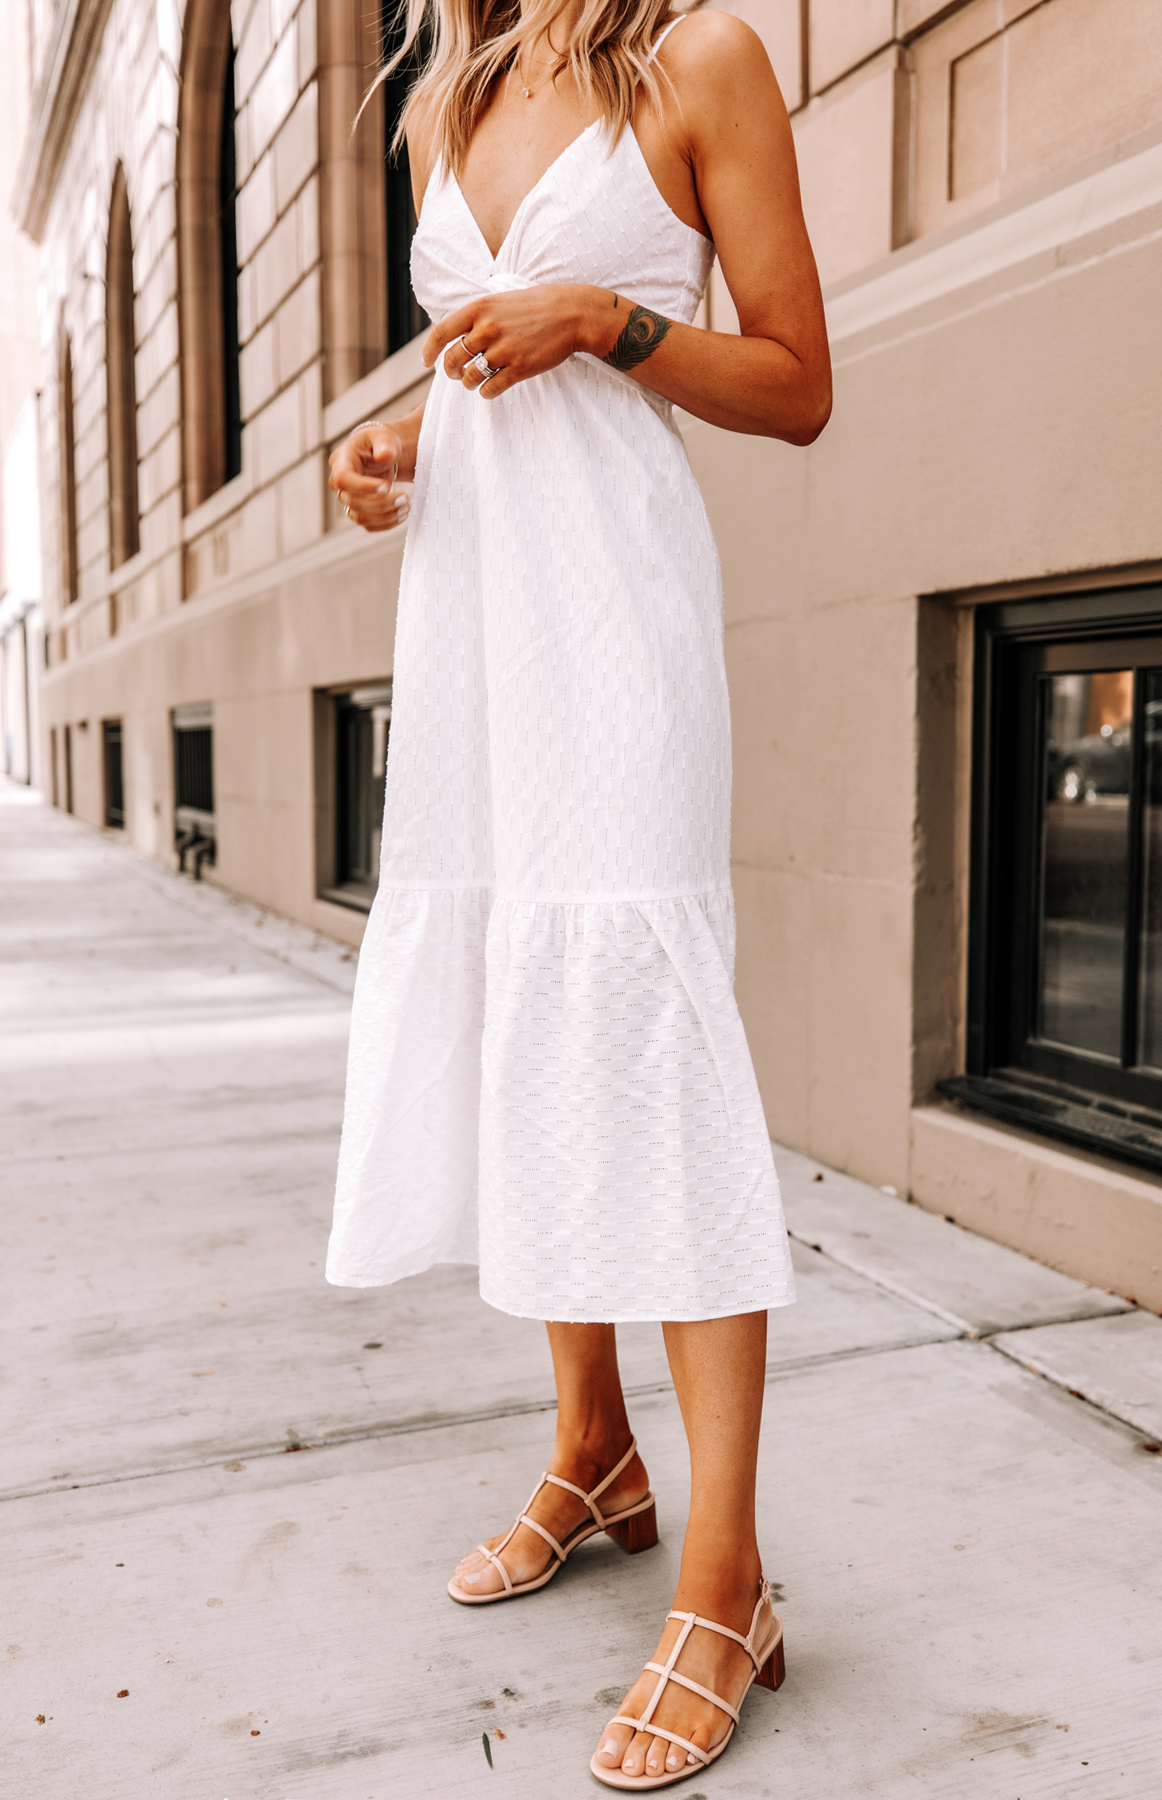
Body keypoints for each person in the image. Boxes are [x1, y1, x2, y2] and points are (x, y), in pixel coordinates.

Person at [326, 0, 830, 1783]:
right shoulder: (435, 95)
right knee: (526, 1019)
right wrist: (386, 459)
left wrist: (612, 321)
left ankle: (726, 1573)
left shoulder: (698, 58)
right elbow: (469, 362)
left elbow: (797, 384)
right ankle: (593, 1449)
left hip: (615, 615)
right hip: (470, 620)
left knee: (640, 1031)